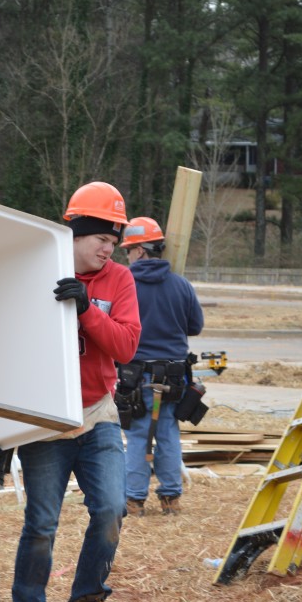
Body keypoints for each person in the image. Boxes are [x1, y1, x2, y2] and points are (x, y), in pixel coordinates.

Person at [8, 182, 141, 602]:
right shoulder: (36, 270)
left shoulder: (119, 280)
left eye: (114, 241)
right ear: (76, 233)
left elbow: (125, 345)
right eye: (102, 238)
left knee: (110, 508)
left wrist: (87, 310)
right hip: (45, 423)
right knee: (41, 524)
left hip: (98, 411)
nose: (109, 248)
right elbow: (9, 345)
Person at [120, 217, 203, 517]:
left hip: (138, 376)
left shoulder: (125, 284)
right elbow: (195, 326)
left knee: (138, 435)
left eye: (128, 250)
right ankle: (171, 498)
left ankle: (134, 500)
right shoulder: (181, 285)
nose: (126, 256)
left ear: (140, 250)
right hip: (174, 377)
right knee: (168, 432)